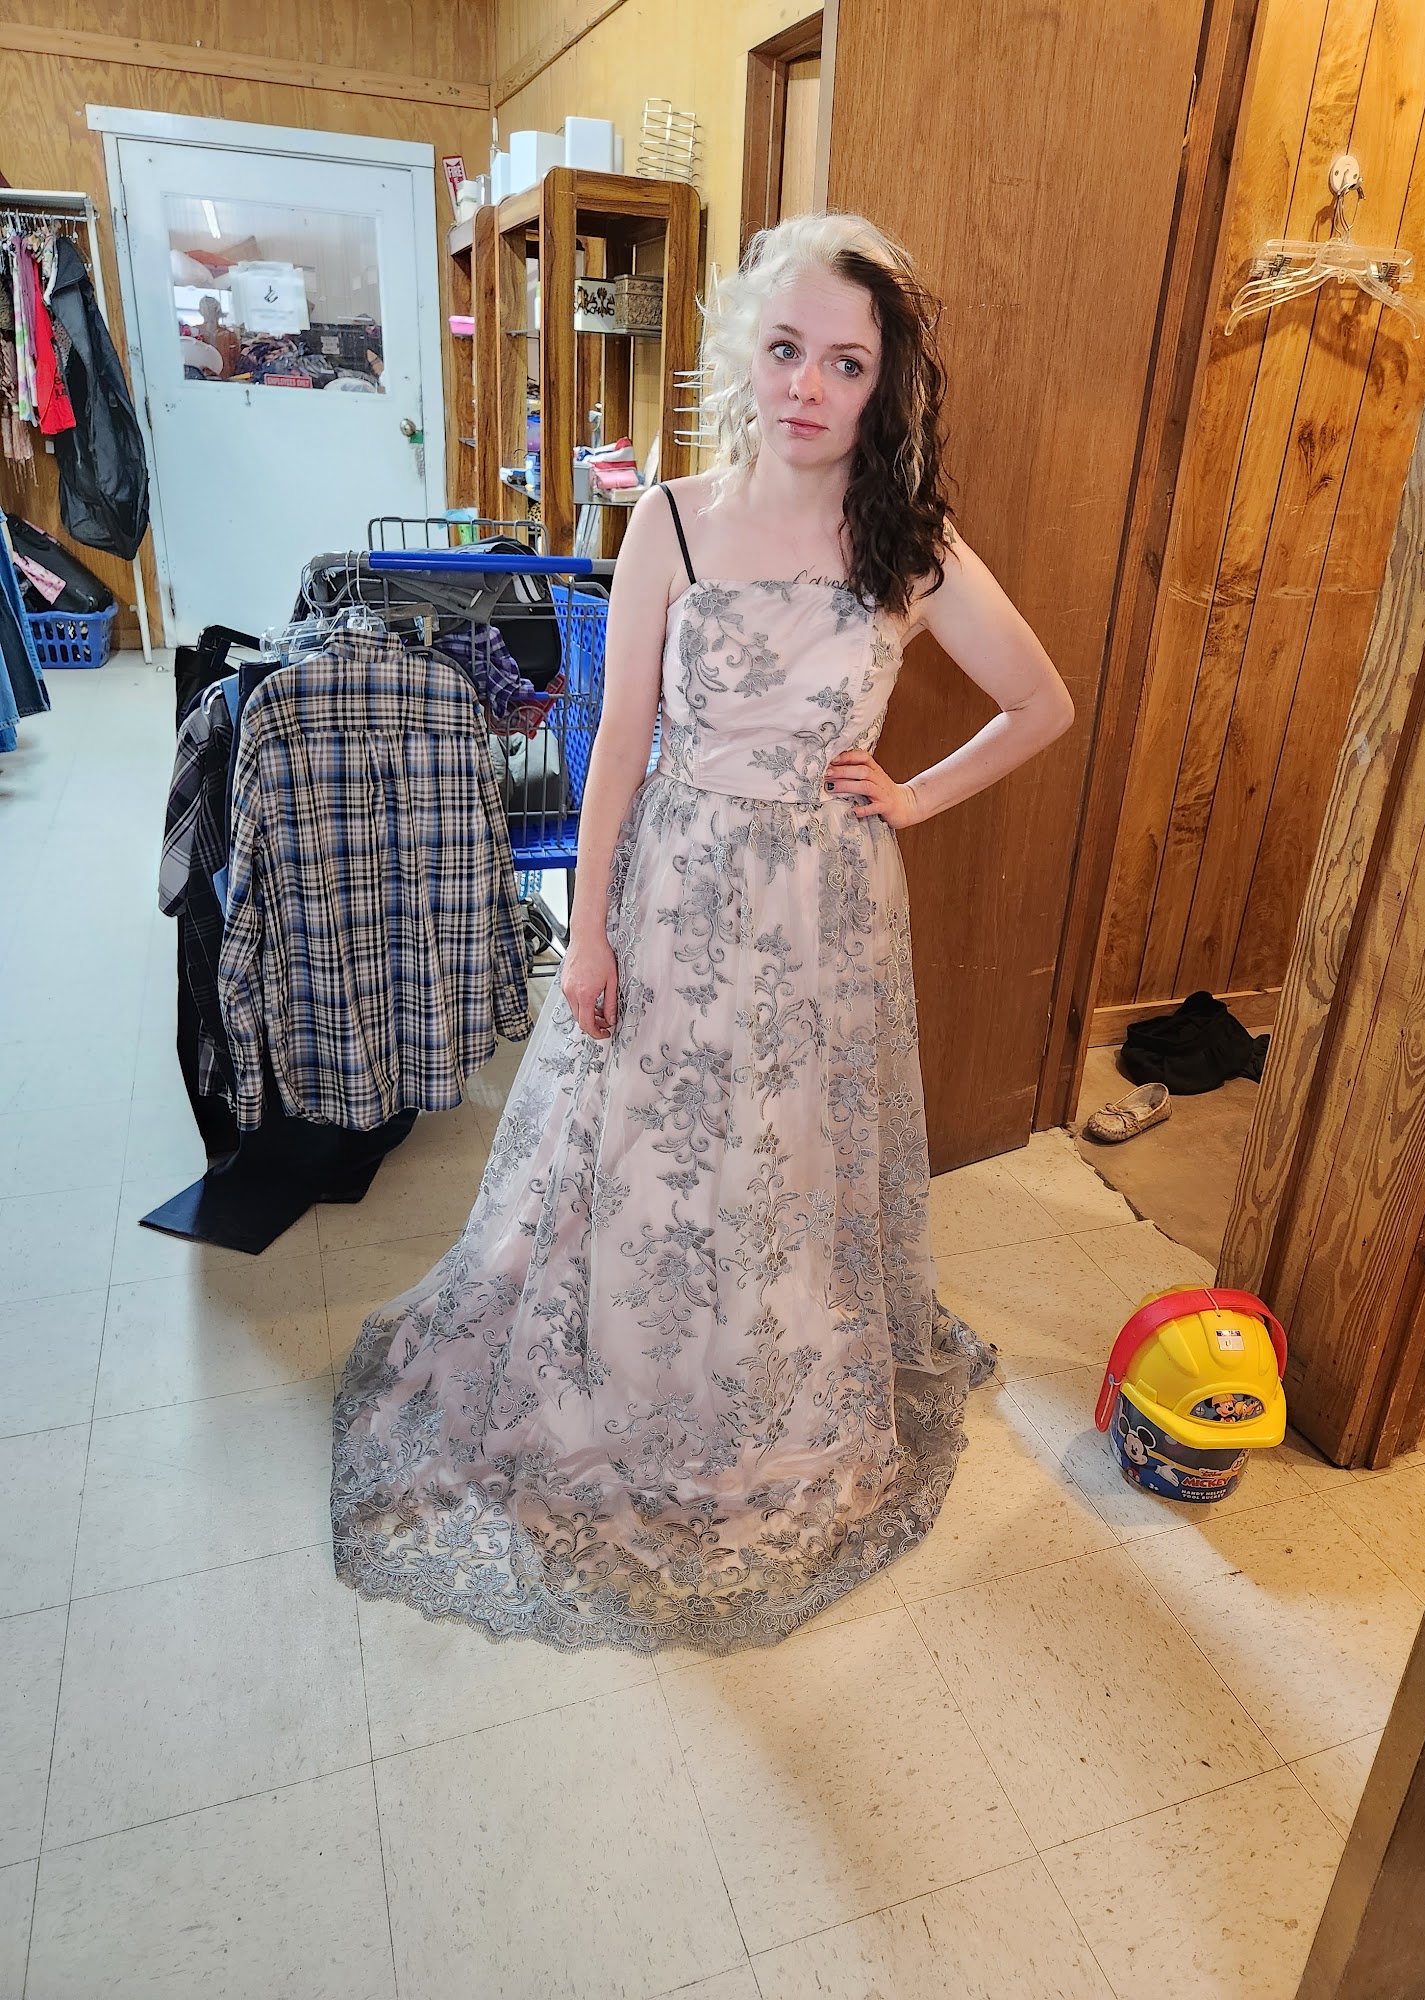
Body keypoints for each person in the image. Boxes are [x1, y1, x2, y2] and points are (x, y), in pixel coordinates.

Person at [332, 211, 1074, 1655]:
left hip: (827, 906)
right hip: (673, 883)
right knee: (655, 1148)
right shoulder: (669, 517)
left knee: (785, 1153)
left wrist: (915, 796)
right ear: (746, 348)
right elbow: (616, 744)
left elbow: (1040, 702)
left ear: (882, 384)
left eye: (846, 363)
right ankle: (639, 1374)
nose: (809, 386)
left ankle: (769, 1383)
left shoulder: (906, 542)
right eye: (787, 348)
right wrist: (587, 931)